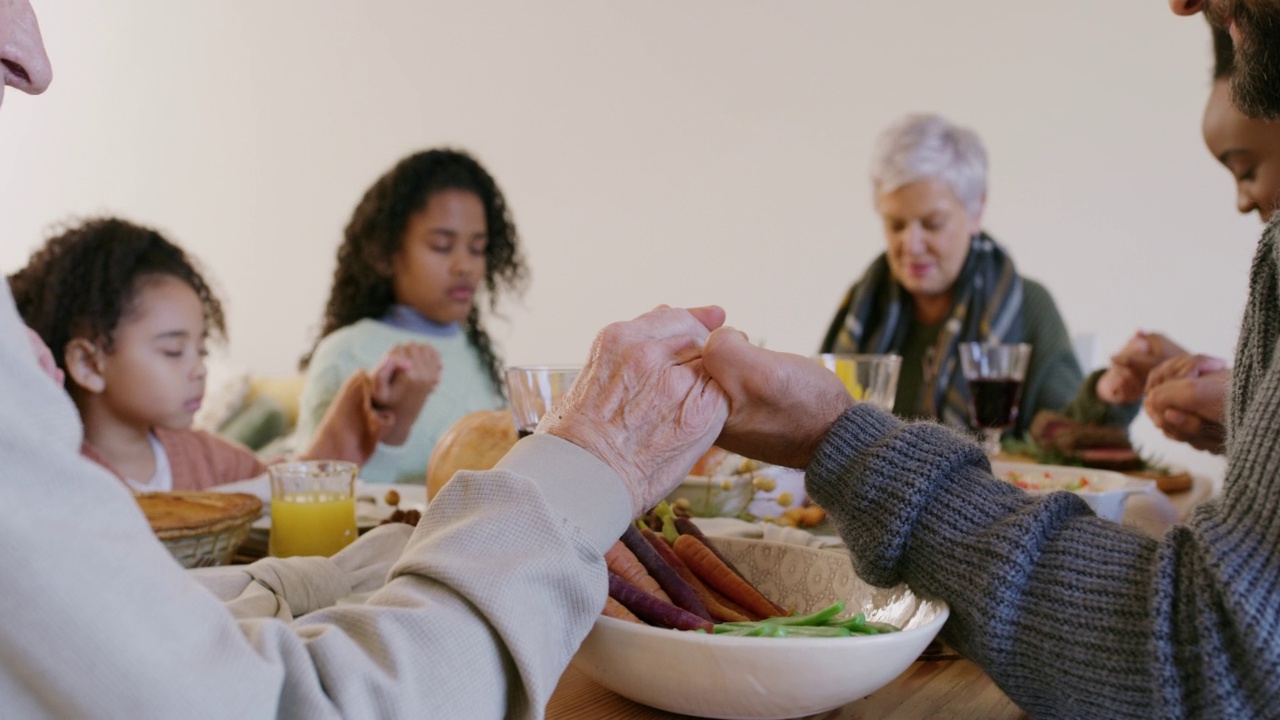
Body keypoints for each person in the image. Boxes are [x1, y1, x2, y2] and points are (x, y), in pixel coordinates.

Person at [8, 216, 435, 490]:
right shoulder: (60, 481)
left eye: (201, 348)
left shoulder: (203, 458)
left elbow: (288, 490)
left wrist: (375, 404)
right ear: (88, 363)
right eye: (174, 351)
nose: (199, 370)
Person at [821, 113, 1138, 438]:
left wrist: (1106, 394)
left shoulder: (1028, 305)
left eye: (932, 224)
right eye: (895, 225)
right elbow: (820, 419)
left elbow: (1067, 428)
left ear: (976, 211)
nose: (911, 245)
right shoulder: (863, 305)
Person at [295, 148, 528, 484]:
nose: (465, 266)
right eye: (442, 246)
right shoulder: (346, 353)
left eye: (477, 249)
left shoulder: (476, 350)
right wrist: (396, 423)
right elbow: (312, 495)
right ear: (385, 254)